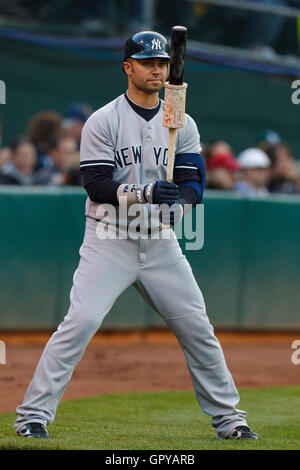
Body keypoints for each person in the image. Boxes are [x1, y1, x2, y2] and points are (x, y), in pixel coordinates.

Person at [14, 31, 259, 441]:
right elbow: (94, 183)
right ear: (128, 67)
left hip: (161, 242)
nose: (157, 70)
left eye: (162, 63)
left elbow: (193, 183)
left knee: (197, 328)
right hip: (109, 237)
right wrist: (144, 192)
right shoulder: (103, 120)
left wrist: (176, 206)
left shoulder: (183, 122)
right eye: (148, 62)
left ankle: (231, 421)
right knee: (81, 322)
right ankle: (32, 416)